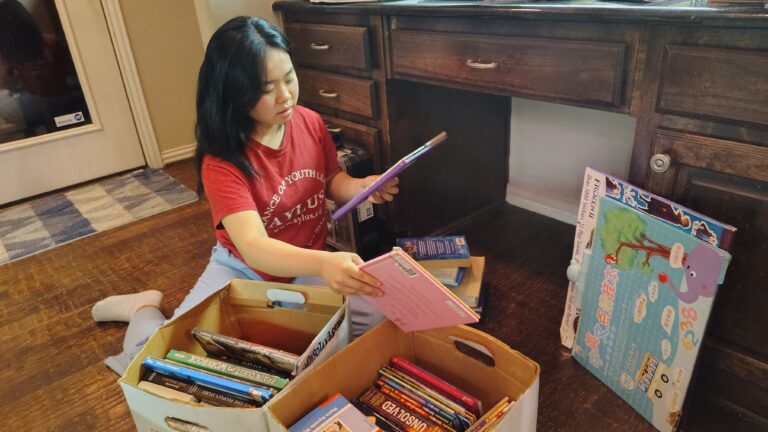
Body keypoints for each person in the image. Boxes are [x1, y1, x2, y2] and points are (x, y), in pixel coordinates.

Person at [91, 16, 399, 375]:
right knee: (160, 364)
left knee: (372, 319)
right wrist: (323, 263)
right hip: (242, 270)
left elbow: (331, 179)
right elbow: (254, 247)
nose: (285, 96)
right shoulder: (223, 159)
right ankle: (142, 308)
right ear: (234, 93)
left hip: (302, 267)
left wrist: (363, 188)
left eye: (289, 77)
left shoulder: (310, 123)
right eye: (267, 89)